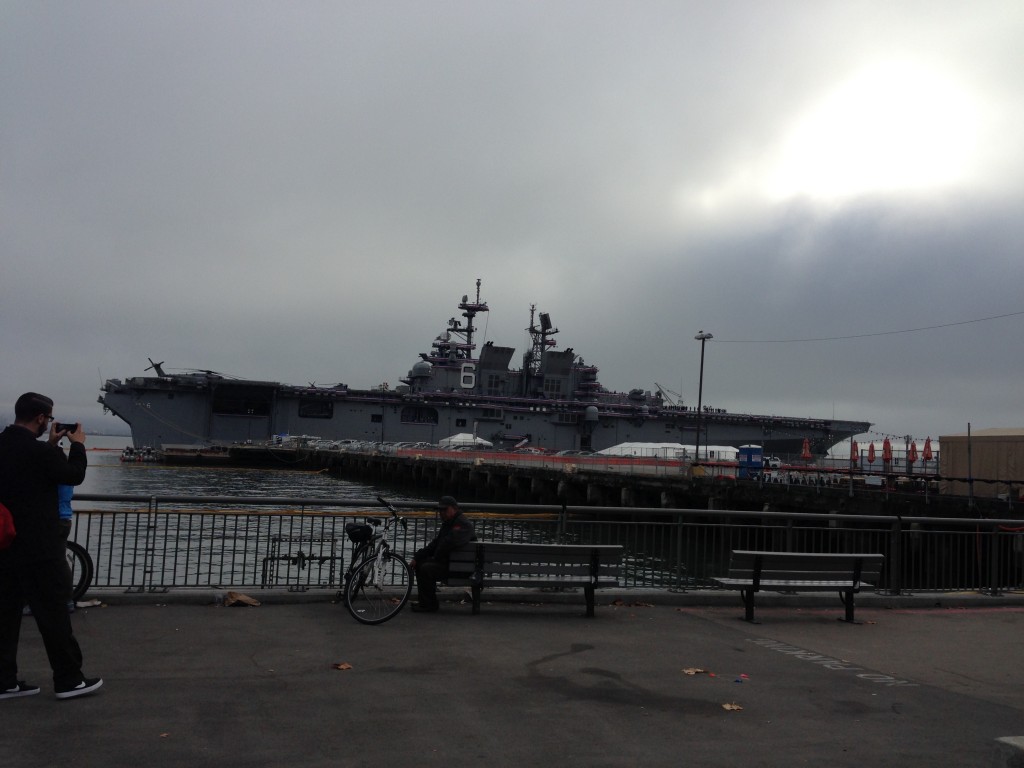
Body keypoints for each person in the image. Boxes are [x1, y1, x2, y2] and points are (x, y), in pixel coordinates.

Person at [0, 392, 103, 700]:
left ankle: (4, 681)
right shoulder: (41, 453)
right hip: (40, 550)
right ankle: (69, 679)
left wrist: (49, 447)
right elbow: (74, 475)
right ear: (42, 418)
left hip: (4, 546)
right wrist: (78, 445)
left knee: (4, 617)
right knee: (53, 615)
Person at [408, 495, 475, 613]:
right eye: (440, 510)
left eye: (444, 510)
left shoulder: (462, 524)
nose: (441, 513)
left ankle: (429, 604)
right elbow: (436, 544)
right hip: (451, 564)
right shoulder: (450, 523)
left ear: (454, 508)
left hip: (460, 568)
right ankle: (426, 602)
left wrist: (434, 558)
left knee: (426, 568)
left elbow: (447, 544)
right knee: (421, 564)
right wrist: (418, 556)